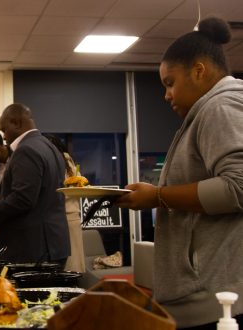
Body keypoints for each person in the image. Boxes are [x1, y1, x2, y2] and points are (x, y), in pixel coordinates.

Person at [115, 17, 243, 329]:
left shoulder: (220, 106)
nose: (166, 95)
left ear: (199, 71)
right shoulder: (204, 112)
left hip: (213, 299)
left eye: (170, 83)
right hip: (203, 295)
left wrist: (157, 196)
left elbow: (238, 186)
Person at [0, 103, 71, 264]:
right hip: (53, 244)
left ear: (16, 123)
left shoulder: (26, 149)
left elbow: (22, 199)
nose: (3, 137)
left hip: (32, 247)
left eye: (4, 130)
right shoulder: (50, 147)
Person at [44, 134, 85, 273]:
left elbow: (70, 186)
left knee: (71, 260)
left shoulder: (62, 159)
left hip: (66, 214)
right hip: (69, 214)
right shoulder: (66, 159)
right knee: (72, 258)